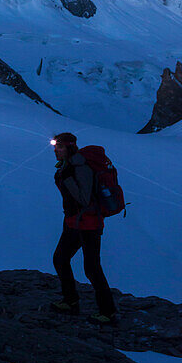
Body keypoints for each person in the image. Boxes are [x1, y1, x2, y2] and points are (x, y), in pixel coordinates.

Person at [51, 131, 117, 324]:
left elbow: (83, 198)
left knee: (91, 268)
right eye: (56, 147)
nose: (56, 151)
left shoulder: (79, 167)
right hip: (75, 222)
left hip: (88, 224)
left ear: (70, 147)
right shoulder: (70, 166)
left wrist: (67, 178)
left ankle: (107, 312)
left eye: (60, 147)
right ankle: (71, 301)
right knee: (61, 259)